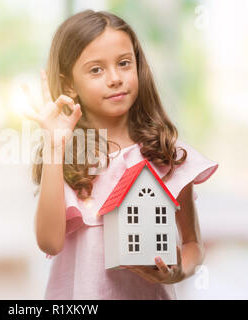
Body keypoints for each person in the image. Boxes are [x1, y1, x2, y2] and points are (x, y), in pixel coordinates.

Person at [23, 10, 218, 299]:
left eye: (124, 63)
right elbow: (50, 243)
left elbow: (193, 245)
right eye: (96, 70)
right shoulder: (66, 158)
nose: (115, 78)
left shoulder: (165, 153)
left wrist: (178, 271)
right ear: (68, 86)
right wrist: (55, 146)